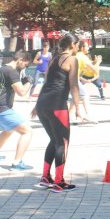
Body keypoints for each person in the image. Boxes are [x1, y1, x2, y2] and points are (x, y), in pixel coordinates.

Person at [35, 33, 85, 192]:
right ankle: (59, 181)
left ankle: (45, 177)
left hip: (42, 104)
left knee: (54, 140)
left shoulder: (53, 59)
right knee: (62, 142)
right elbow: (74, 85)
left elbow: (46, 82)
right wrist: (78, 107)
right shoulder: (71, 60)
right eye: (77, 45)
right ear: (72, 45)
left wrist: (35, 106)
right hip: (57, 104)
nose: (78, 48)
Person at [0, 50, 34, 170]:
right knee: (27, 131)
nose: (25, 67)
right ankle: (17, 163)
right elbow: (22, 92)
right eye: (25, 64)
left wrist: (22, 81)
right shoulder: (12, 72)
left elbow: (8, 86)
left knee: (8, 129)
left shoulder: (2, 69)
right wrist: (29, 82)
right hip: (2, 109)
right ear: (20, 60)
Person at [68, 41, 101, 123]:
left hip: (70, 78)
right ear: (82, 48)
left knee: (76, 97)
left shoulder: (78, 55)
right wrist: (99, 62)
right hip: (73, 79)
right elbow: (94, 69)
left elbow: (87, 67)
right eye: (87, 46)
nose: (88, 48)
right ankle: (88, 115)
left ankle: (68, 116)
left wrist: (94, 62)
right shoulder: (83, 56)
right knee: (85, 95)